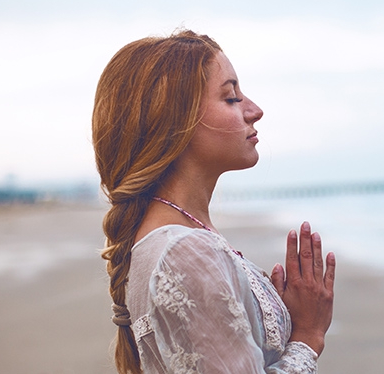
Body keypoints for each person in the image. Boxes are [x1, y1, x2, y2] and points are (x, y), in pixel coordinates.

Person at [92, 30, 337, 374]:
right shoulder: (184, 252)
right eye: (231, 98)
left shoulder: (176, 238)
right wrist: (307, 338)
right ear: (175, 121)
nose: (255, 110)